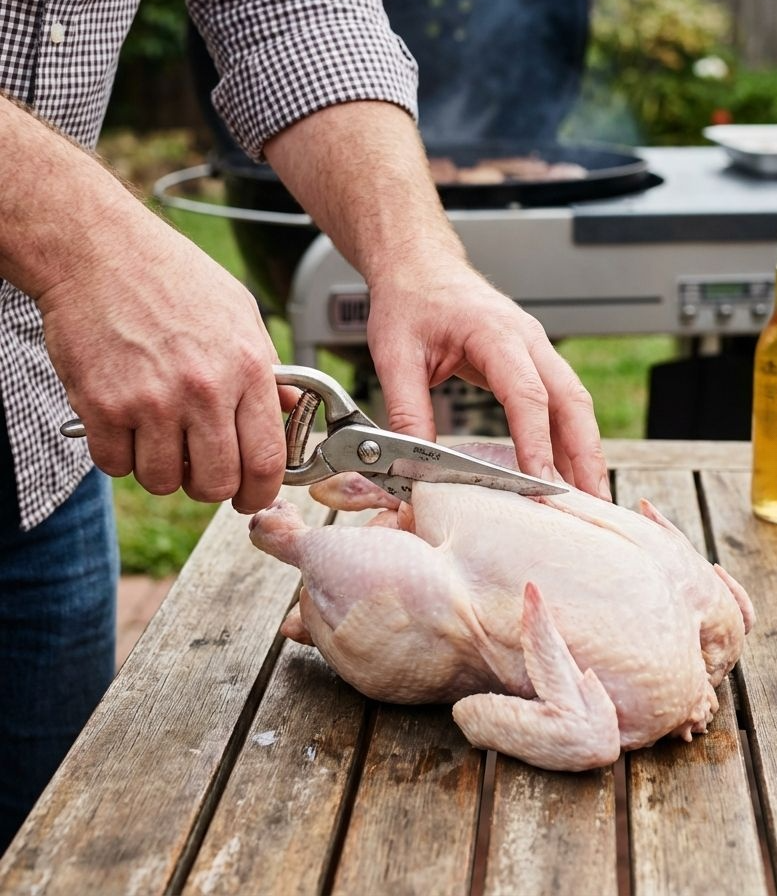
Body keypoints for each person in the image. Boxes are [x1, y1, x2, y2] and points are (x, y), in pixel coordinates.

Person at [0, 0, 609, 851]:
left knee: (50, 844)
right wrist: (85, 243)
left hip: (36, 454)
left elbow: (292, 18)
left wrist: (417, 255)